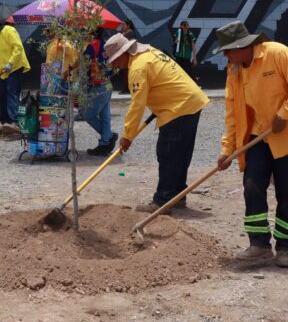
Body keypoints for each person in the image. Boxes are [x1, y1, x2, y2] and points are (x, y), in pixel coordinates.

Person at [214, 21, 288, 268]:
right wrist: (227, 149)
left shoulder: (278, 53)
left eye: (228, 51)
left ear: (241, 46)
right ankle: (259, 244)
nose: (227, 57)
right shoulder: (234, 71)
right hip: (257, 136)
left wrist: (284, 113)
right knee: (252, 186)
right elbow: (232, 113)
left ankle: (284, 247)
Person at [105, 33, 209, 212]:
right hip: (191, 101)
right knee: (180, 153)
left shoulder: (138, 68)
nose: (114, 65)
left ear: (124, 53)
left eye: (115, 59)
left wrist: (127, 135)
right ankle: (177, 195)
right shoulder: (149, 52)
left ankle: (163, 201)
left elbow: (137, 105)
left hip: (178, 107)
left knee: (168, 153)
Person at [0, 15, 30, 129]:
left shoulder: (9, 30)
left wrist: (10, 63)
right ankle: (5, 122)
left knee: (12, 93)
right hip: (4, 71)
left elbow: (18, 48)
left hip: (16, 66)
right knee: (1, 96)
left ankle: (15, 123)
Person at [84, 27, 117, 156]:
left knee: (88, 115)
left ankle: (108, 136)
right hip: (107, 83)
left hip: (98, 85)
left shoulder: (92, 46)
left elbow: (84, 63)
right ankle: (104, 144)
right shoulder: (106, 45)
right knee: (105, 115)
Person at [118, 19, 136, 94]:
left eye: (124, 25)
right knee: (123, 72)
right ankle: (127, 88)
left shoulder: (130, 33)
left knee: (126, 72)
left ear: (128, 25)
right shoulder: (125, 32)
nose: (123, 26)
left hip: (127, 55)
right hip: (124, 55)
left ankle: (127, 89)